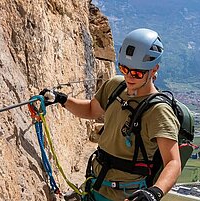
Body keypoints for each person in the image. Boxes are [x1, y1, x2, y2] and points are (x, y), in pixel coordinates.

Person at [40, 28, 181, 201]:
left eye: (137, 73)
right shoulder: (116, 86)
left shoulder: (159, 111)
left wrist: (154, 192)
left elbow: (173, 162)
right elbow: (92, 110)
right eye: (124, 68)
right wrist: (62, 99)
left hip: (125, 195)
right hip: (95, 186)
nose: (129, 76)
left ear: (154, 69)